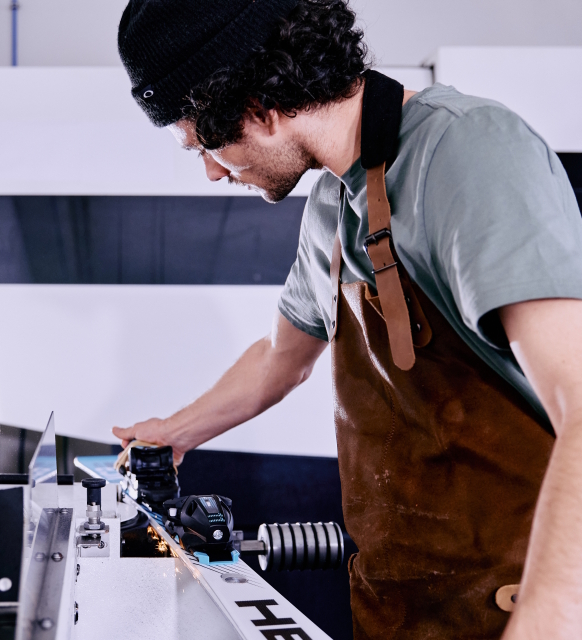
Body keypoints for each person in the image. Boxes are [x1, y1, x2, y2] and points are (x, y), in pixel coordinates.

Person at [112, 1, 582, 638]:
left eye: (206, 143)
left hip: (521, 608)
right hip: (411, 613)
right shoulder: (335, 201)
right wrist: (174, 433)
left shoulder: (467, 152)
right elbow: (282, 359)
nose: (212, 172)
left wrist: (547, 620)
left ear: (260, 111)